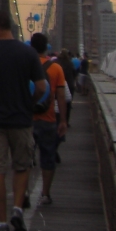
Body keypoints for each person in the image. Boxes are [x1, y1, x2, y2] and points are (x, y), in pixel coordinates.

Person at [0, 9, 47, 231]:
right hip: (21, 119)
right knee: (22, 166)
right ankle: (17, 208)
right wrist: (29, 103)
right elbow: (42, 87)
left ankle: (2, 223)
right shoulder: (28, 53)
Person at [32, 33, 69, 206]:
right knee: (48, 157)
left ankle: (22, 193)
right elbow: (61, 96)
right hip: (48, 118)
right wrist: (62, 121)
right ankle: (45, 193)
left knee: (23, 158)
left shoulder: (24, 66)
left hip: (26, 119)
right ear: (46, 47)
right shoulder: (56, 69)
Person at [57, 48, 77, 126]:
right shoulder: (70, 63)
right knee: (68, 104)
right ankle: (66, 121)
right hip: (69, 84)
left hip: (59, 84)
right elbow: (74, 73)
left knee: (58, 102)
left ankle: (58, 119)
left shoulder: (57, 62)